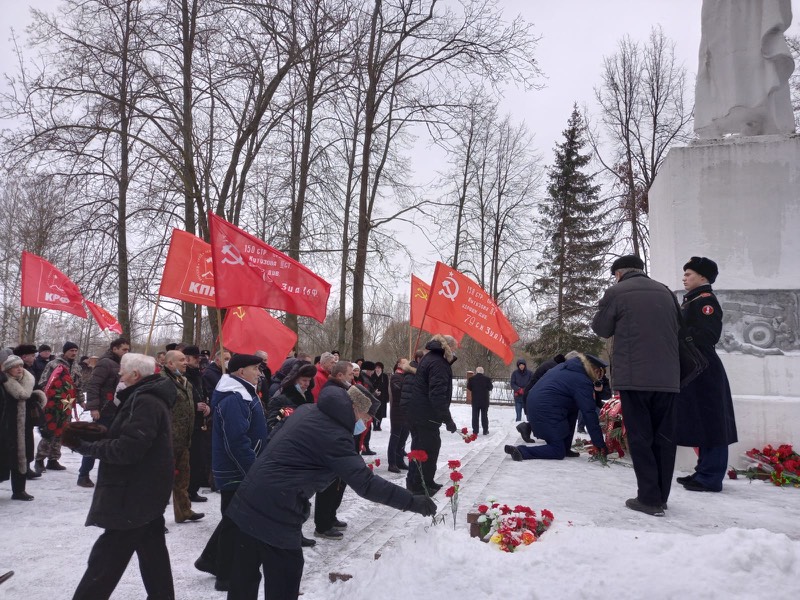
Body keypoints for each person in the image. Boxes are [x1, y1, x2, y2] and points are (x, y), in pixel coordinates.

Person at [225, 373, 437, 600]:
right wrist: (412, 501)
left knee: (243, 580)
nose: (365, 424)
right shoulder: (335, 435)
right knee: (285, 578)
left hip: (247, 500)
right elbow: (365, 483)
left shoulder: (309, 410)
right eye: (366, 418)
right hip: (277, 510)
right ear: (355, 408)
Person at [65, 353, 177, 600]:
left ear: (135, 375)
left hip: (133, 493)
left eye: (123, 372)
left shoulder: (145, 401)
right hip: (145, 490)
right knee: (153, 554)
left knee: (105, 561)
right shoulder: (142, 398)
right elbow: (131, 438)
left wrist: (85, 446)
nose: (119, 376)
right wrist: (100, 434)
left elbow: (128, 451)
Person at [592, 255, 680, 517]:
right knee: (665, 438)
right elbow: (679, 327)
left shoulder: (617, 291)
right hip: (668, 379)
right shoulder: (666, 292)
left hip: (636, 377)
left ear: (619, 273)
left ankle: (649, 499)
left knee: (641, 437)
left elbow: (601, 328)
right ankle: (661, 497)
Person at [195, 353, 268, 592]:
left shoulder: (242, 392)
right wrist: (253, 469)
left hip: (240, 467)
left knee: (233, 518)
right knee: (234, 522)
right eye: (255, 368)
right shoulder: (234, 398)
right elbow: (235, 441)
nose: (259, 372)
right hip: (234, 469)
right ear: (240, 372)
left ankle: (209, 559)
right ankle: (225, 573)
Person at [675, 257, 738, 492]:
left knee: (713, 423)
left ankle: (710, 477)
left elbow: (708, 336)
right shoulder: (691, 301)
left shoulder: (705, 301)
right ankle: (703, 471)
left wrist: (681, 334)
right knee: (702, 421)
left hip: (704, 367)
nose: (684, 278)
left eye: (688, 274)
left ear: (702, 277)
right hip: (696, 367)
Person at [504, 354, 608, 461]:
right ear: (594, 370)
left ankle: (566, 447)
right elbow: (589, 413)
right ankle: (521, 451)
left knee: (574, 408)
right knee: (558, 450)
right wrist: (600, 445)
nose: (599, 379)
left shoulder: (566, 368)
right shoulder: (581, 379)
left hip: (540, 404)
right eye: (600, 375)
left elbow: (575, 407)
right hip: (546, 409)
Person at [406, 334, 458, 495]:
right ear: (447, 347)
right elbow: (437, 395)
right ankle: (419, 485)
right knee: (427, 450)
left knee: (420, 448)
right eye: (454, 348)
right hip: (426, 416)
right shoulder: (439, 364)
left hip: (418, 413)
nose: (455, 351)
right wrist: (447, 419)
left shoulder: (429, 359)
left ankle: (423, 481)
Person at [79, 337, 130, 487]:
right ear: (114, 349)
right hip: (104, 409)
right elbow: (94, 386)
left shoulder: (122, 364)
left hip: (117, 410)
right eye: (124, 349)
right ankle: (83, 474)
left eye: (128, 349)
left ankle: (110, 474)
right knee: (95, 442)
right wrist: (94, 408)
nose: (126, 352)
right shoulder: (105, 363)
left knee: (113, 442)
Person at [161, 350, 204, 523]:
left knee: (183, 479)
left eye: (186, 360)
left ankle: (184, 511)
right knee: (162, 482)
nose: (185, 363)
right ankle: (156, 520)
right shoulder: (163, 381)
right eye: (181, 360)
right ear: (169, 363)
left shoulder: (185, 381)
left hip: (184, 438)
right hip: (168, 439)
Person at [313, 361, 354, 540]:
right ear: (340, 376)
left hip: (339, 443)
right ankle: (322, 525)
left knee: (338, 484)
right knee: (329, 486)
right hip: (330, 445)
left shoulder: (340, 389)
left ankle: (330, 516)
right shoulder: (332, 391)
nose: (353, 377)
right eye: (350, 374)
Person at [2, 355, 46, 500]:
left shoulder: (29, 380)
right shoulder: (3, 383)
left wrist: (37, 397)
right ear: (7, 369)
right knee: (5, 457)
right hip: (6, 426)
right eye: (16, 366)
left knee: (22, 457)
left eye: (21, 365)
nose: (20, 369)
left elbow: (38, 392)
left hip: (24, 427)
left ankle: (19, 490)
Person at [35, 341, 83, 474]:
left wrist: (81, 401)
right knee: (50, 431)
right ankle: (40, 459)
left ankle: (53, 459)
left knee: (62, 431)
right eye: (71, 350)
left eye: (75, 350)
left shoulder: (77, 367)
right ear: (65, 351)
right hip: (53, 404)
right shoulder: (54, 364)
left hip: (67, 404)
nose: (74, 353)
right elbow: (44, 382)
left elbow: (78, 386)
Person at [183, 345, 211, 503]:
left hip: (200, 421)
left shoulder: (198, 375)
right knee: (189, 459)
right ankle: (185, 490)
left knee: (198, 457)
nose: (198, 360)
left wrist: (208, 406)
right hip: (187, 423)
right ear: (186, 358)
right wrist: (194, 406)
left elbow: (205, 393)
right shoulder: (182, 375)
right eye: (195, 358)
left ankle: (192, 489)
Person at [517, 354, 567, 442]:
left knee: (543, 416)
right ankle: (527, 427)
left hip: (533, 393)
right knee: (544, 416)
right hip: (534, 394)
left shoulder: (551, 364)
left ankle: (527, 428)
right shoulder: (553, 367)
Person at [12, 344, 43, 479]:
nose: (34, 358)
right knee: (22, 441)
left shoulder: (29, 368)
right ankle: (22, 469)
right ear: (24, 356)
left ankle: (26, 467)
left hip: (28, 410)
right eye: (32, 355)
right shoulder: (18, 370)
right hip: (20, 411)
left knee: (28, 440)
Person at [266, 361, 317, 433]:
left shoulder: (308, 398)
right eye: (304, 380)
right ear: (294, 380)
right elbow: (272, 425)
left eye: (309, 380)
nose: (307, 384)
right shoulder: (280, 400)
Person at [387, 359, 411, 473]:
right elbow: (398, 391)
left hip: (406, 411)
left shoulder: (406, 376)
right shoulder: (396, 376)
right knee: (395, 437)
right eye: (405, 362)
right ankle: (392, 463)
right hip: (397, 411)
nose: (408, 364)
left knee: (403, 438)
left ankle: (400, 460)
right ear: (399, 364)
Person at [467, 366, 493, 436]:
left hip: (475, 400)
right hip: (484, 400)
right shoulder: (487, 379)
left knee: (475, 416)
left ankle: (475, 431)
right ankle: (485, 430)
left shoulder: (471, 379)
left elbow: (469, 387)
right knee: (484, 416)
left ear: (476, 371)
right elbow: (490, 387)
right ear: (483, 372)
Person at [370, 361, 390, 431]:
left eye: (379, 368)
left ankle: (379, 425)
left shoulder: (384, 376)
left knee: (381, 412)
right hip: (374, 396)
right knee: (374, 411)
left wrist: (387, 397)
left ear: (381, 369)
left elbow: (386, 386)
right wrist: (374, 391)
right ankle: (375, 425)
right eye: (376, 368)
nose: (377, 369)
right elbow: (370, 386)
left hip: (383, 396)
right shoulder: (372, 376)